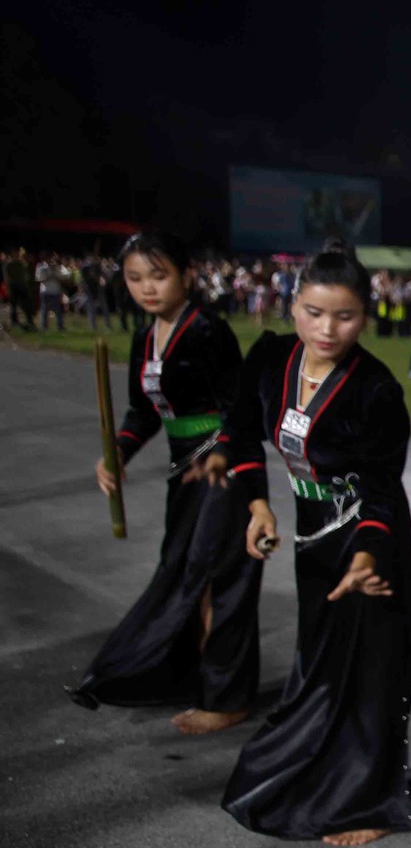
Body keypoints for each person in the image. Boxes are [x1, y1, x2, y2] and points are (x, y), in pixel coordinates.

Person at [221, 240, 411, 848]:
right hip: (310, 536)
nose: (326, 328)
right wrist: (257, 504)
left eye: (345, 316)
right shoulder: (272, 358)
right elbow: (239, 431)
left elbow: (383, 488)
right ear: (292, 304)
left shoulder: (376, 388)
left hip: (368, 541)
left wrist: (367, 556)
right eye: (313, 312)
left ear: (367, 316)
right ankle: (314, 773)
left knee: (372, 670)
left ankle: (372, 800)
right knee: (319, 665)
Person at [68, 231, 260, 733]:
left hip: (223, 474)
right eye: (135, 278)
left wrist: (221, 451)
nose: (147, 288)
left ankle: (228, 697)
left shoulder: (207, 330)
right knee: (185, 579)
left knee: (217, 580)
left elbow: (239, 407)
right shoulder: (143, 337)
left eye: (159, 275)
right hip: (184, 475)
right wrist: (117, 455)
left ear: (186, 275)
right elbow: (143, 412)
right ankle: (196, 679)